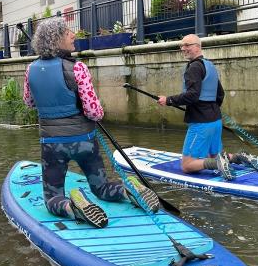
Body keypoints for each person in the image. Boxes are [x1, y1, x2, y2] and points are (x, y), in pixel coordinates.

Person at [23, 17, 159, 228]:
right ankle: (127, 191)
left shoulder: (30, 70)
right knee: (102, 188)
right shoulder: (77, 68)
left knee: (52, 198)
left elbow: (29, 102)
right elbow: (94, 112)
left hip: (52, 145)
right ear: (56, 39)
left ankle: (72, 207)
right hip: (84, 141)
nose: (73, 35)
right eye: (68, 32)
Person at [157, 34, 258, 180]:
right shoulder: (210, 65)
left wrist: (168, 100)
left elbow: (192, 95)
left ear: (197, 46)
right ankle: (239, 158)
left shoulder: (193, 67)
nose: (183, 49)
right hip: (215, 121)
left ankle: (218, 164)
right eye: (181, 46)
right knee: (213, 154)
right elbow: (220, 94)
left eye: (187, 45)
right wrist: (211, 110)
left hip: (201, 124)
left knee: (187, 165)